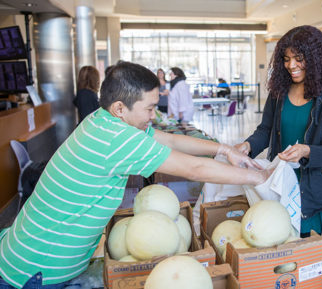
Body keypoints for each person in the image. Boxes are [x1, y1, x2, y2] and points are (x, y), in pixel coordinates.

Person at [0, 61, 272, 288]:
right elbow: (194, 168)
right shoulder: (116, 138)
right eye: (150, 108)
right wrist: (260, 178)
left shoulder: (103, 120)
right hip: (35, 271)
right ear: (120, 107)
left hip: (27, 251)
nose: (153, 116)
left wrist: (226, 150)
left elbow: (170, 140)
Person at [234, 25, 322, 238]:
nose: (291, 65)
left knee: (303, 252)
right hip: (279, 183)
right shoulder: (280, 90)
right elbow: (265, 130)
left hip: (311, 188)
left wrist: (306, 151)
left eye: (298, 58)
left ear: (315, 58)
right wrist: (247, 146)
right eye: (286, 59)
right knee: (278, 240)